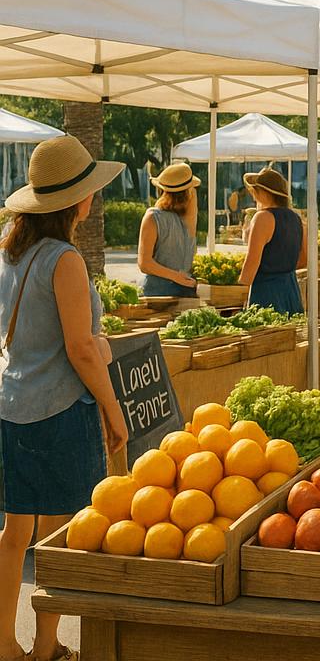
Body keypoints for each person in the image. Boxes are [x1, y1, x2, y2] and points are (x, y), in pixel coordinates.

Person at [0, 136, 129, 661]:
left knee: (14, 533)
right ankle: (48, 648)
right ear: (79, 200)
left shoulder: (11, 250)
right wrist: (112, 406)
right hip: (57, 414)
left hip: (12, 407)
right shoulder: (66, 260)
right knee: (58, 537)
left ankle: (6, 646)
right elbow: (79, 349)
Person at [236, 168, 305, 313]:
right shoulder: (297, 219)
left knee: (266, 334)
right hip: (291, 290)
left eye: (256, 191)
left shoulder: (263, 218)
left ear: (265, 193)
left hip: (266, 292)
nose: (254, 196)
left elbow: (252, 261)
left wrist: (239, 292)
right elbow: (304, 259)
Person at [138, 161, 199, 298]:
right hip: (170, 294)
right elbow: (144, 264)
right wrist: (178, 277)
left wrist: (177, 277)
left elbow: (144, 263)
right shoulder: (188, 219)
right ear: (189, 192)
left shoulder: (153, 217)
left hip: (161, 293)